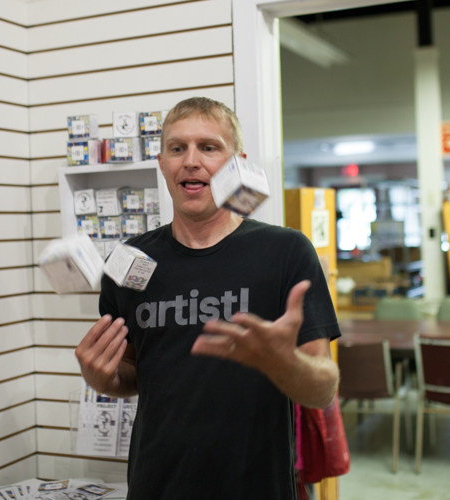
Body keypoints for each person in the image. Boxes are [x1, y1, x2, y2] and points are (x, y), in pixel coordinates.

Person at [75, 97, 341, 500]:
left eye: (209, 147)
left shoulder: (285, 252)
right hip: (154, 488)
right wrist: (104, 379)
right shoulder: (128, 263)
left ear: (238, 162)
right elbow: (133, 373)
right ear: (162, 162)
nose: (191, 160)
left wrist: (286, 363)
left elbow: (323, 389)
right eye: (177, 148)